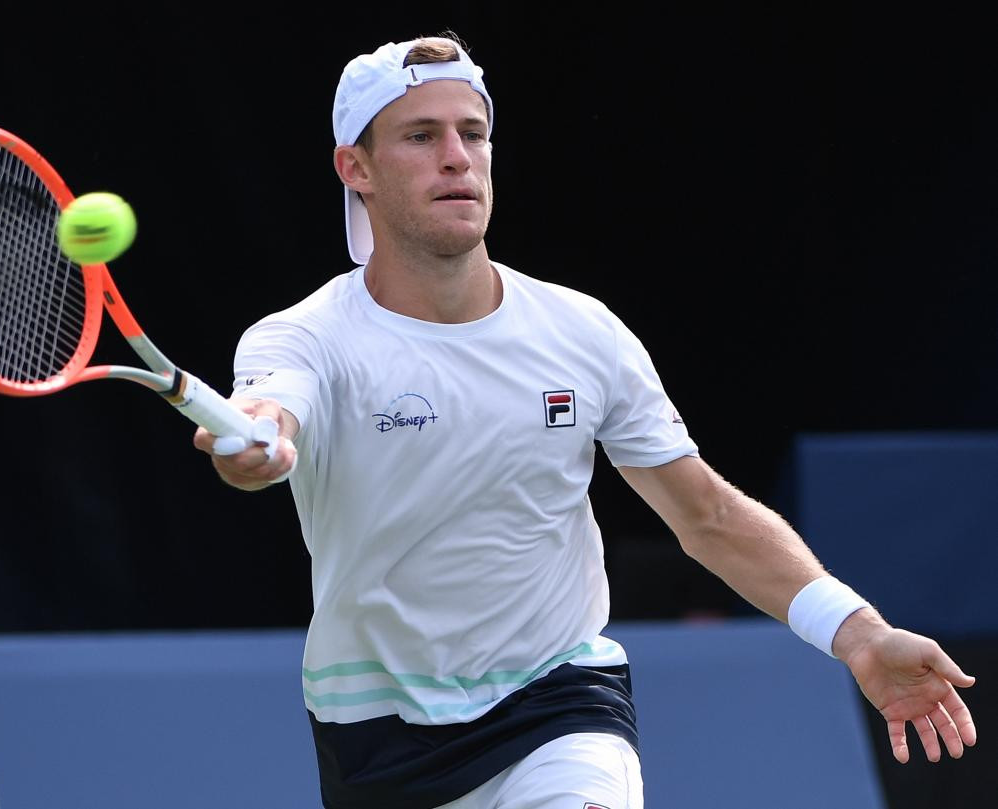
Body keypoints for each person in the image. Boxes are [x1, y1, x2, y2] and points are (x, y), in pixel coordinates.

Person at [192, 33, 977, 809]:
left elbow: (704, 514)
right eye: (420, 136)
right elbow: (271, 411)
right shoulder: (304, 336)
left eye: (473, 132)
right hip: (375, 737)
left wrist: (861, 633)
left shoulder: (583, 332)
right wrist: (256, 443)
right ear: (354, 167)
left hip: (559, 703)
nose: (457, 157)